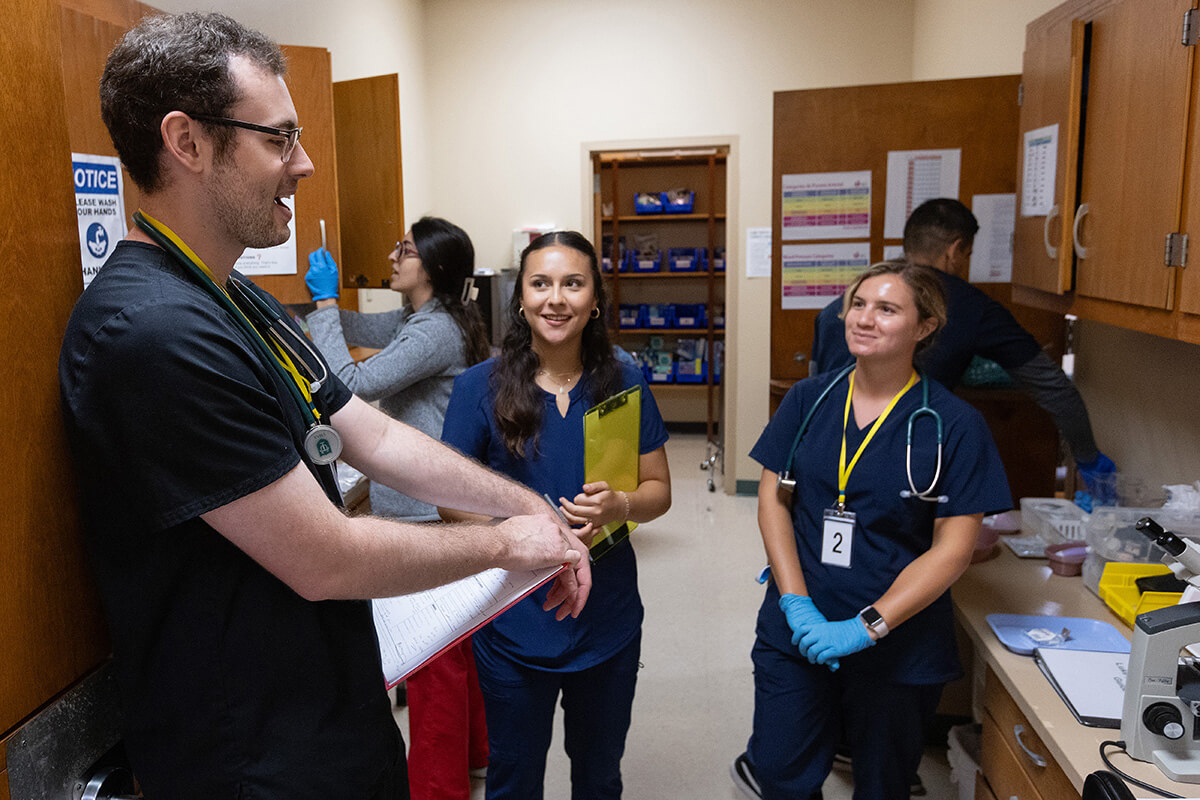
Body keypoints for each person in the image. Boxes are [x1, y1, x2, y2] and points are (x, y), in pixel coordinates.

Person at [58, 13, 589, 800]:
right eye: (278, 139)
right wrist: (505, 545)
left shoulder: (236, 298)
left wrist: (530, 511)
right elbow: (324, 557)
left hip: (328, 713)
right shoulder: (151, 334)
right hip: (250, 759)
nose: (303, 164)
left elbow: (364, 430)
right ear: (188, 142)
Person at [732, 261, 1011, 800]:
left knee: (883, 784)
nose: (864, 318)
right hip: (798, 630)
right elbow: (774, 498)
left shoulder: (952, 425)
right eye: (858, 304)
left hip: (897, 643)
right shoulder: (806, 400)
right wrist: (795, 604)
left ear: (925, 327)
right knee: (780, 772)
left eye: (886, 309)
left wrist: (867, 627)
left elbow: (952, 550)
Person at [439, 231, 672, 799]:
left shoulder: (623, 381)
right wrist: (520, 533)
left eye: (573, 283)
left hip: (608, 619)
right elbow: (449, 500)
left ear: (595, 300)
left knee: (599, 775)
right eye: (540, 283)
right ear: (520, 298)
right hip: (515, 619)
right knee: (515, 777)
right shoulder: (479, 388)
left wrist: (622, 506)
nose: (556, 298)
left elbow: (659, 489)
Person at [304, 219, 491, 800]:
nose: (391, 255)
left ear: (431, 268)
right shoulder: (424, 319)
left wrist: (326, 298)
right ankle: (478, 758)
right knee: (456, 648)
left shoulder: (434, 331)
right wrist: (302, 310)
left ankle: (439, 791)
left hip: (424, 514)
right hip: (436, 503)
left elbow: (350, 383)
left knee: (433, 663)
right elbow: (355, 328)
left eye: (403, 250)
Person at [810, 198, 1116, 504]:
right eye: (966, 255)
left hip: (828, 458)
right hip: (902, 461)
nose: (867, 318)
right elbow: (1054, 388)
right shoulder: (968, 307)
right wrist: (1089, 461)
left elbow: (815, 385)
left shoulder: (841, 306)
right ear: (954, 250)